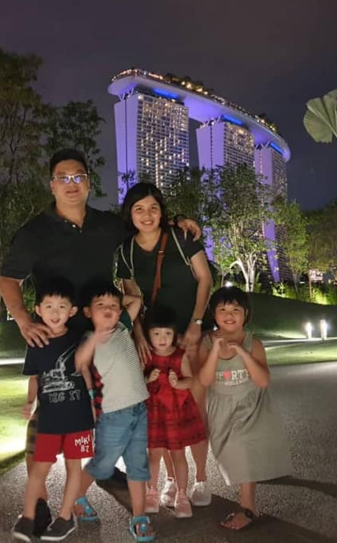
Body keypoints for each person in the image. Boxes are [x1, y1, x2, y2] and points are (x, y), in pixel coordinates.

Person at [0, 150, 200, 524]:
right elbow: (8, 279)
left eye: (79, 176)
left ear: (89, 182)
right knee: (46, 416)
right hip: (58, 339)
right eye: (63, 177)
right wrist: (25, 320)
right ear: (52, 185)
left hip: (105, 336)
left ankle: (79, 494)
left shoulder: (107, 225)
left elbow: (145, 223)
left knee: (100, 416)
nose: (72, 184)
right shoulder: (34, 232)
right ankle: (40, 495)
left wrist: (176, 221)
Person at [117, 182, 213, 508]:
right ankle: (173, 480)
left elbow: (205, 279)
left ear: (163, 211)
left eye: (153, 207)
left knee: (193, 411)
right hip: (156, 344)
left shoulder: (182, 238)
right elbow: (133, 297)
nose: (147, 215)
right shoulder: (126, 251)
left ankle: (200, 479)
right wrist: (139, 333)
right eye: (139, 209)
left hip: (189, 335)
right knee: (161, 412)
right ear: (129, 214)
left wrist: (197, 323)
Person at [197, 286, 293, 531]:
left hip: (251, 406)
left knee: (243, 451)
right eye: (223, 309)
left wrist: (242, 351)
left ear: (245, 314)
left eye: (236, 309)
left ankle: (248, 508)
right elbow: (205, 380)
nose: (229, 314)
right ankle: (248, 505)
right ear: (214, 314)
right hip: (220, 407)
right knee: (227, 454)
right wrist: (216, 352)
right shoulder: (207, 342)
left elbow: (263, 381)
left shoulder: (254, 343)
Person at [12, 279, 95, 542]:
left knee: (74, 466)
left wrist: (93, 405)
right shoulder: (35, 342)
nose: (55, 312)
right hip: (48, 417)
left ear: (72, 311)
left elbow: (86, 372)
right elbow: (35, 378)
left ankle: (65, 517)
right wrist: (30, 403)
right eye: (49, 306)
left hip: (78, 416)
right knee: (40, 467)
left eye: (62, 306)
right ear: (38, 310)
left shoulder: (78, 338)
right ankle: (27, 518)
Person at [72, 282, 155, 542]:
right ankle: (75, 497)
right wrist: (97, 332)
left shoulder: (123, 326)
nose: (108, 310)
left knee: (138, 465)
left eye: (113, 306)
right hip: (113, 415)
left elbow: (136, 300)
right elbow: (79, 361)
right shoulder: (89, 339)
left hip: (139, 409)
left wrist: (118, 302)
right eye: (101, 306)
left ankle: (139, 517)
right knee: (103, 465)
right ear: (87, 312)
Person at [141, 307, 207, 519]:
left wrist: (178, 383)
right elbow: (136, 382)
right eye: (157, 334)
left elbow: (190, 379)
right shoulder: (147, 355)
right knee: (154, 455)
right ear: (149, 335)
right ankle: (151, 492)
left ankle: (181, 494)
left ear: (174, 334)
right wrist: (146, 379)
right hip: (154, 413)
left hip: (175, 411)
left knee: (179, 454)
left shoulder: (180, 356)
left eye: (167, 334)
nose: (162, 339)